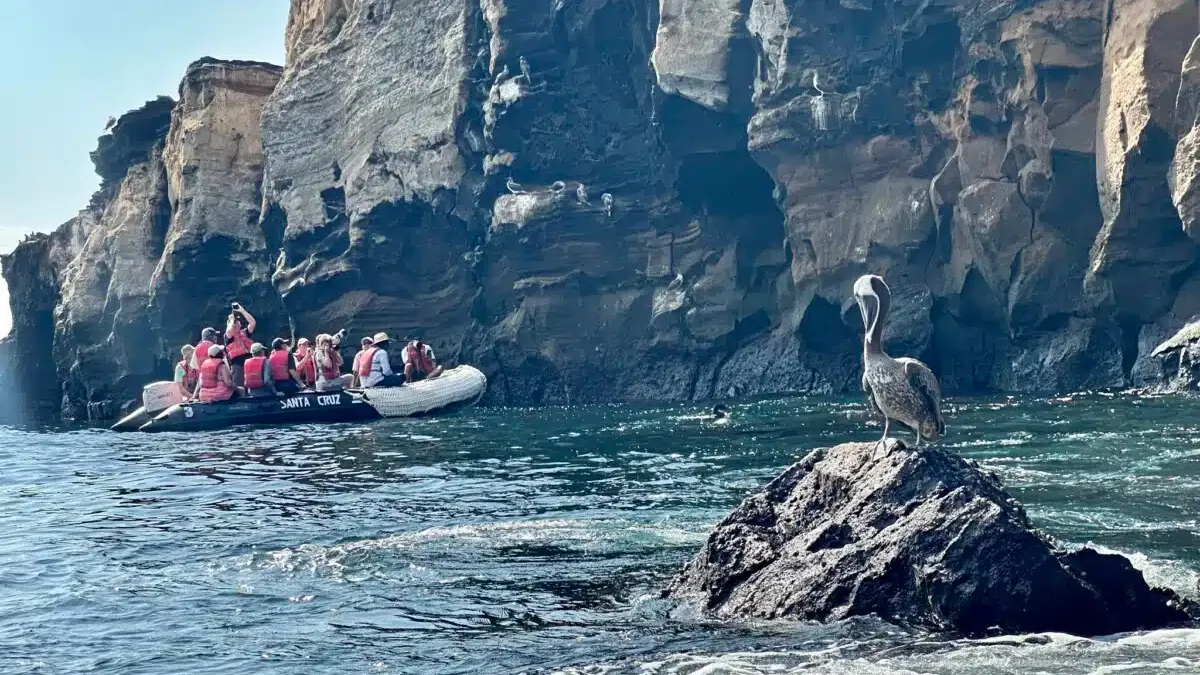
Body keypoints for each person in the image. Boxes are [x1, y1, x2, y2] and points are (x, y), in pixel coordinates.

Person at [225, 302, 257, 387]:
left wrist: (242, 311)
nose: (236, 323)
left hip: (250, 361)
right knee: (239, 385)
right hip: (238, 364)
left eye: (237, 321)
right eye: (234, 322)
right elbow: (229, 331)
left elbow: (252, 323)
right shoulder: (228, 336)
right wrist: (231, 320)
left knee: (252, 382)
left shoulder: (244, 332)